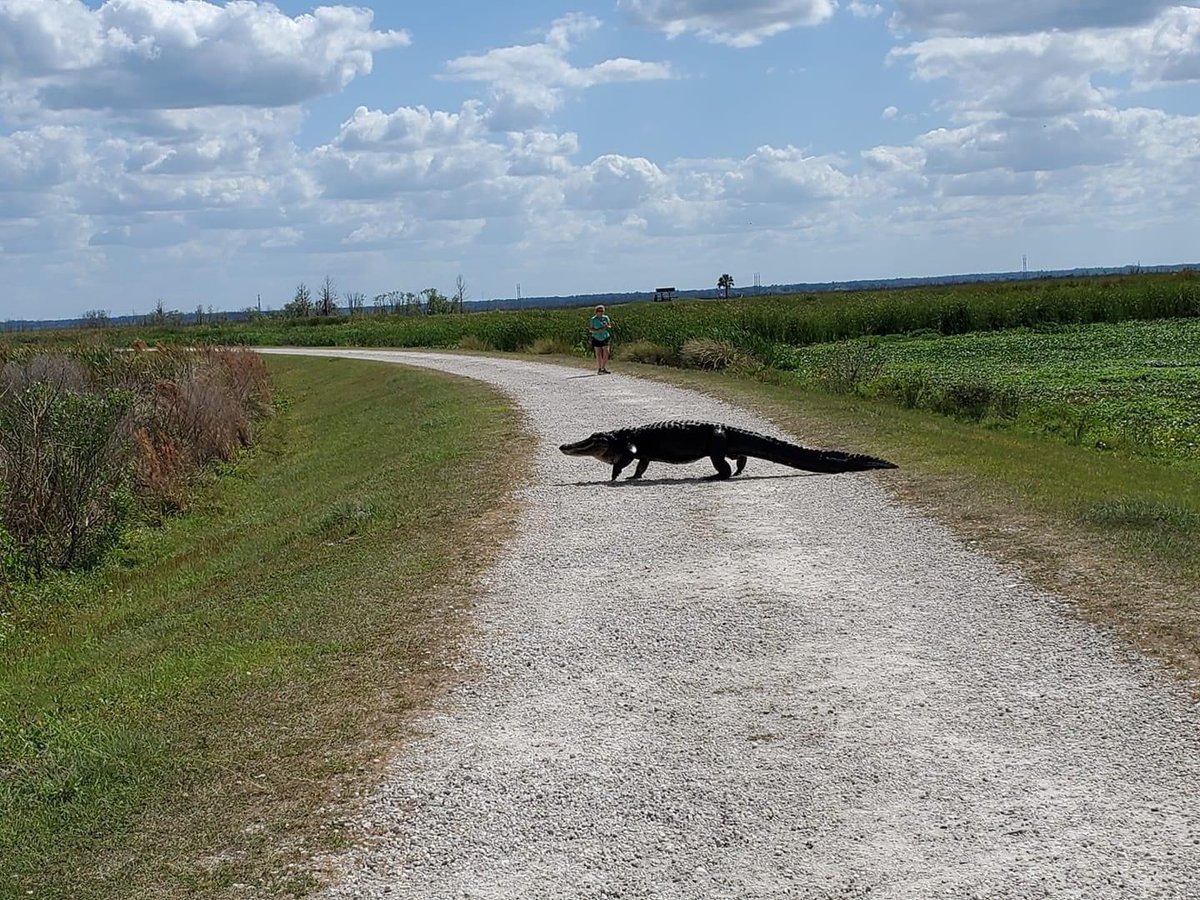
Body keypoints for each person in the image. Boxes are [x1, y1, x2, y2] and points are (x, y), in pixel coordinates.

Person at [588, 304, 613, 374]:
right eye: (599, 311)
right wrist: (597, 331)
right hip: (596, 337)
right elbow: (590, 329)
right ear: (596, 312)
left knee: (606, 352)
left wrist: (607, 325)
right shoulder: (593, 319)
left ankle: (603, 367)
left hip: (605, 336)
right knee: (598, 353)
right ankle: (599, 368)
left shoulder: (606, 318)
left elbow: (610, 326)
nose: (601, 312)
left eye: (602, 311)